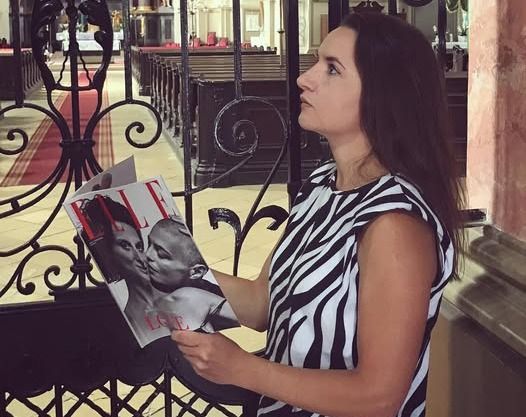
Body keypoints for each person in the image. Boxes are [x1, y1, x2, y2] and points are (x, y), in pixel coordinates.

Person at [171, 12, 464, 417]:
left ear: (382, 95)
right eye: (316, 62)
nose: (304, 79)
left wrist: (243, 369)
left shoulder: (394, 224)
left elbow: (379, 397)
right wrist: (166, 267)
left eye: (332, 69)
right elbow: (261, 302)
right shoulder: (322, 185)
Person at [80, 196, 164, 343]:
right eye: (125, 246)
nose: (140, 258)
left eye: (139, 247)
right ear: (108, 254)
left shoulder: (179, 292)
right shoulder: (132, 321)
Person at [146, 217, 239, 332]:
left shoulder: (208, 299)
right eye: (148, 244)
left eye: (162, 254)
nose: (148, 254)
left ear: (196, 272)